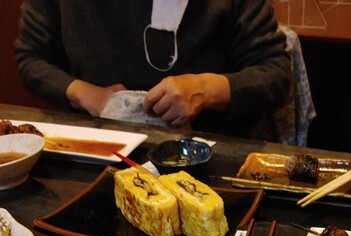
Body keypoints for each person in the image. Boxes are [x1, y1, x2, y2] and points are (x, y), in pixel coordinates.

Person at [14, 0, 292, 140]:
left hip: (209, 148)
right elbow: (32, 58)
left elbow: (275, 73)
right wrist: (85, 95)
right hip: (98, 145)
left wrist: (205, 91)